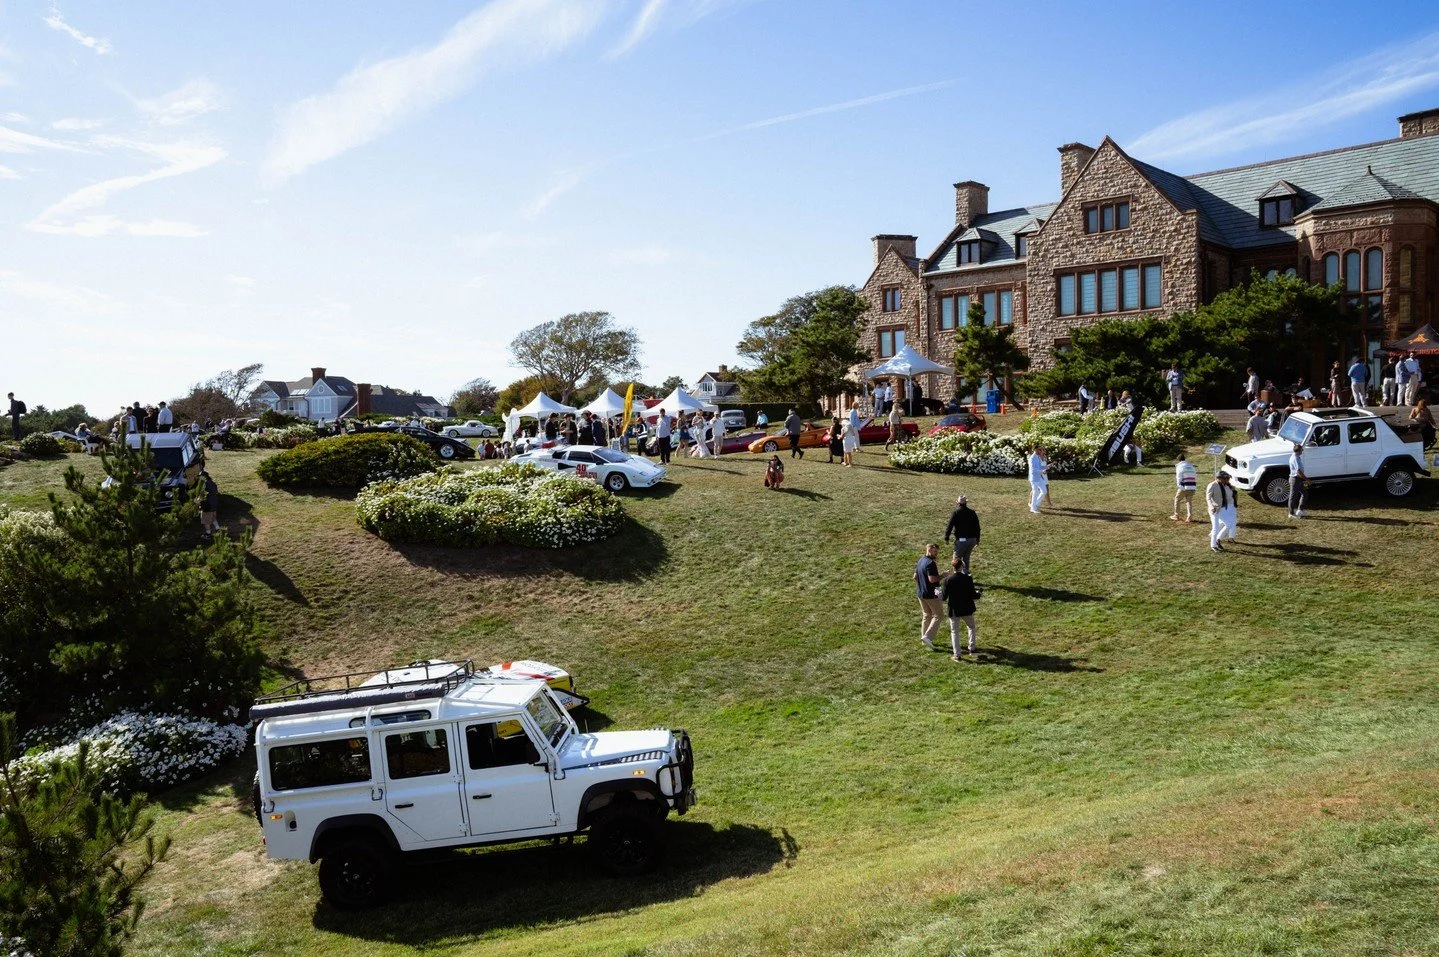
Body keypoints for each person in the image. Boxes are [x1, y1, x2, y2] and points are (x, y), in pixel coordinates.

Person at [940, 557, 980, 660]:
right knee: (971, 627)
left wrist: (938, 593)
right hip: (967, 608)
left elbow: (944, 597)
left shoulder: (947, 580)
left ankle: (957, 655)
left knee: (954, 632)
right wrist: (978, 594)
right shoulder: (967, 578)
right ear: (962, 566)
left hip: (954, 609)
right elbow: (973, 595)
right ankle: (972, 649)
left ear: (953, 567)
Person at [914, 543, 943, 652]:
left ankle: (923, 639)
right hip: (930, 595)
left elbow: (915, 577)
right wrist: (943, 575)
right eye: (935, 552)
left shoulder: (921, 560)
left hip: (920, 593)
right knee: (939, 615)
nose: (936, 554)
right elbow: (932, 579)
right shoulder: (931, 563)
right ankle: (928, 637)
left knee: (926, 615)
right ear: (929, 550)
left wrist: (922, 585)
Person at [944, 495, 981, 574]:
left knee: (956, 559)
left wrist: (947, 537)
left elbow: (950, 525)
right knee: (966, 558)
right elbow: (977, 527)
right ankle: (966, 575)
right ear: (966, 503)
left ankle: (956, 576)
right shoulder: (972, 512)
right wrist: (977, 539)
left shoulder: (956, 513)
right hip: (972, 540)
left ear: (958, 503)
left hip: (961, 541)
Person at [1206, 471, 1237, 552]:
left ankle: (1218, 539)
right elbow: (1208, 498)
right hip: (1214, 510)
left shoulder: (1224, 485)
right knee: (1215, 528)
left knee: (1229, 524)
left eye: (1227, 478)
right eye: (1224, 478)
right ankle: (1213, 546)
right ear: (1219, 478)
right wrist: (1211, 506)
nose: (1226, 480)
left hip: (1222, 509)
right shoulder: (1212, 485)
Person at [1172, 453, 1198, 522]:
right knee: (1189, 501)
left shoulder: (1180, 467)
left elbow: (1178, 477)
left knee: (1177, 499)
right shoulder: (1191, 466)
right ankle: (1189, 517)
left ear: (1178, 460)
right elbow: (1195, 476)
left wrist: (1180, 486)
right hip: (1192, 486)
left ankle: (1176, 515)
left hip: (1184, 487)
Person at [1287, 442, 1309, 519]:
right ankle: (1291, 513)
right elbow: (1298, 472)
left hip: (1298, 479)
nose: (1302, 451)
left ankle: (1300, 510)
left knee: (1304, 493)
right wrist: (1306, 479)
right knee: (1293, 497)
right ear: (1298, 451)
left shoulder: (1296, 456)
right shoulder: (1295, 459)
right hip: (1295, 479)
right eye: (1301, 450)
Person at [1027, 445, 1049, 514]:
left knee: (1044, 491)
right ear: (1035, 450)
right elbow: (1033, 470)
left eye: (1041, 450)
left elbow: (1040, 467)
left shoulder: (1038, 457)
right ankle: (1033, 508)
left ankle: (1035, 505)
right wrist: (1042, 471)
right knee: (1035, 492)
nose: (1041, 451)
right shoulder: (1032, 458)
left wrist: (1048, 466)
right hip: (1034, 478)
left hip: (1039, 477)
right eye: (1039, 450)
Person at [200, 471, 220, 537]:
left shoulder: (204, 484)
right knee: (213, 518)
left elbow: (202, 495)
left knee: (206, 520)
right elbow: (216, 492)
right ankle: (218, 529)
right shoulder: (213, 483)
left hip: (207, 505)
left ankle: (208, 534)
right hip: (214, 503)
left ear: (203, 477)